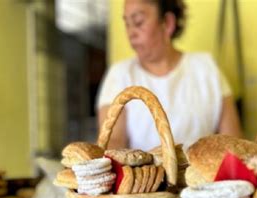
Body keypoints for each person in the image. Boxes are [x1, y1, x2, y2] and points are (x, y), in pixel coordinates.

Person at [97, 0, 242, 151]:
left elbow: (233, 142)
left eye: (138, 22)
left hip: (202, 174)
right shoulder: (120, 75)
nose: (131, 33)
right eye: (127, 24)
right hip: (146, 174)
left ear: (167, 23)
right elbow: (112, 141)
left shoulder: (207, 69)